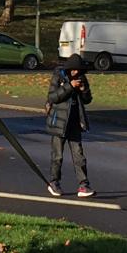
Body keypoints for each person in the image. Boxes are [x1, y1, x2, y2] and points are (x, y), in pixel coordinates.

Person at [45, 56, 95, 198]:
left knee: (79, 155)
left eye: (78, 70)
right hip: (59, 122)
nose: (75, 72)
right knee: (57, 156)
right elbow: (53, 97)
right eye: (73, 70)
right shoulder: (58, 76)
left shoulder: (82, 78)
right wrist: (69, 86)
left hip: (74, 122)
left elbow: (87, 100)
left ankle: (83, 185)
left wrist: (83, 89)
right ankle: (54, 182)